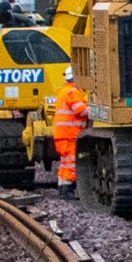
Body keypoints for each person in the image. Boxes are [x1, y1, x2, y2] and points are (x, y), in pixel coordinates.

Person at [53, 66, 88, 200]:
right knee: (71, 163)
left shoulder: (64, 91)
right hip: (70, 134)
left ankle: (62, 188)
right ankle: (68, 190)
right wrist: (96, 111)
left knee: (65, 163)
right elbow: (81, 110)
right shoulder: (72, 92)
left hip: (63, 134)